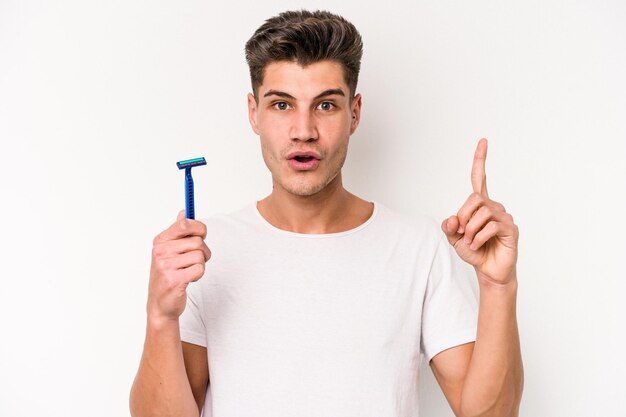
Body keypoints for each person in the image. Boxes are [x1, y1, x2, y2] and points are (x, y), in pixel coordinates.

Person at [129, 9, 523, 417]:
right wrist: (160, 315)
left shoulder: (417, 247)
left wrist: (498, 286)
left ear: (354, 112)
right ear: (253, 113)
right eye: (282, 105)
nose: (304, 130)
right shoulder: (202, 252)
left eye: (326, 106)